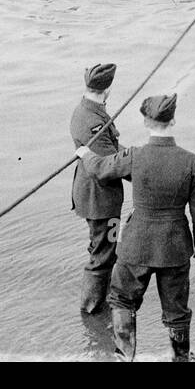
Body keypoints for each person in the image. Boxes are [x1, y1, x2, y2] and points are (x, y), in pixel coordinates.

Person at [76, 93, 195, 361]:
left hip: (136, 245)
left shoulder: (135, 156)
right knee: (177, 310)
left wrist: (85, 153)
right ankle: (180, 358)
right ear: (172, 121)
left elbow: (101, 168)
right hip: (175, 248)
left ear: (146, 123)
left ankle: (124, 356)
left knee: (122, 300)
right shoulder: (191, 160)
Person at [69, 62, 124, 315]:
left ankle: (100, 302)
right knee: (104, 253)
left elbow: (111, 151)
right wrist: (144, 166)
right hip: (101, 201)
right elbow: (107, 166)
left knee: (102, 246)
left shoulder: (86, 110)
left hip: (95, 197)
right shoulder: (93, 121)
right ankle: (91, 310)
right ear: (107, 89)